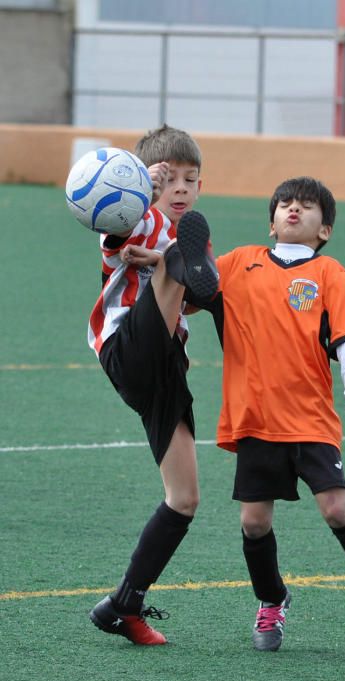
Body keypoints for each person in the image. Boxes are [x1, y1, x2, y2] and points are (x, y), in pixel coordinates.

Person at [190, 176, 345, 655]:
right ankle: (271, 599)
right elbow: (189, 296)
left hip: (309, 418)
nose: (292, 210)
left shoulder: (330, 273)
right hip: (253, 418)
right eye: (284, 204)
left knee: (336, 509)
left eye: (306, 207)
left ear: (323, 229)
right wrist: (160, 266)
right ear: (271, 222)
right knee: (254, 524)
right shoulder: (237, 263)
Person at [87, 125, 218, 645]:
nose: (181, 187)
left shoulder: (194, 235)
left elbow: (196, 300)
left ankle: (122, 604)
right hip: (127, 349)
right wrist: (143, 192)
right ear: (144, 184)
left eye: (191, 179)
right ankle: (175, 267)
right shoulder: (134, 218)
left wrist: (192, 281)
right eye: (170, 179)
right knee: (175, 261)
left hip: (165, 370)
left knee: (183, 498)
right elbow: (112, 235)